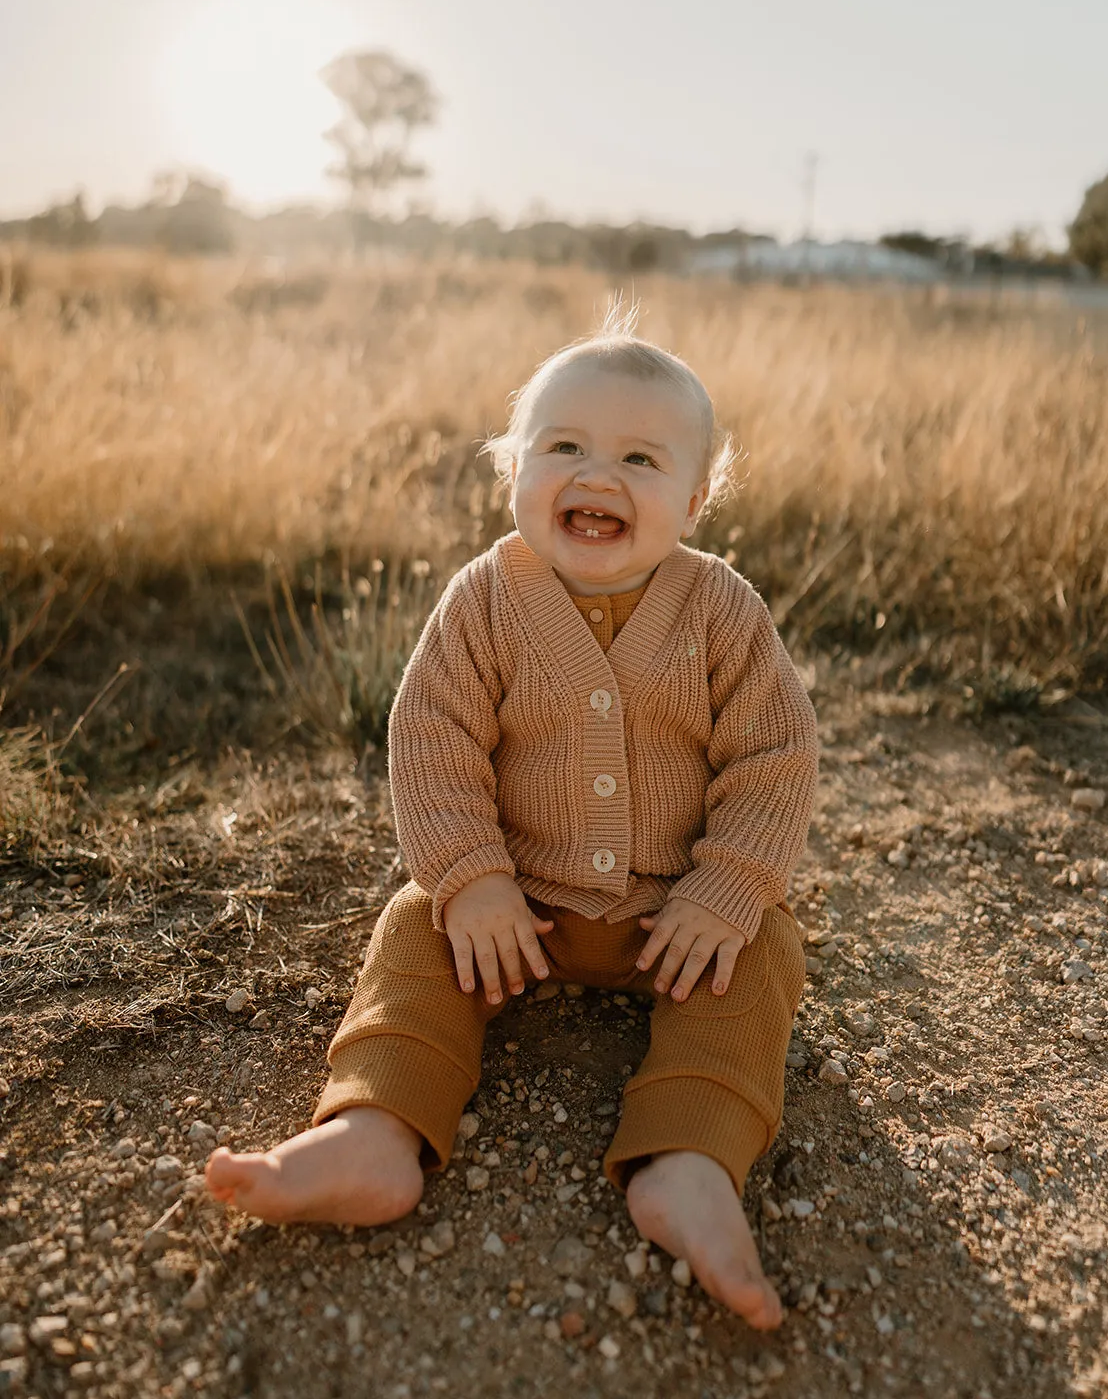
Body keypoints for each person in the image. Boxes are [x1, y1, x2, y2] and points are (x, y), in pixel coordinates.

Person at [206, 309, 818, 1330]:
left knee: (760, 950)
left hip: (673, 916)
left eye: (638, 456)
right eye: (564, 446)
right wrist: (471, 876)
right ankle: (373, 1127)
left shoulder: (722, 612)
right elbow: (432, 743)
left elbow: (772, 757)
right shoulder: (482, 602)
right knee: (414, 924)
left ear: (694, 497)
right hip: (513, 909)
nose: (596, 474)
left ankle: (692, 1159)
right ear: (513, 469)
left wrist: (723, 889)